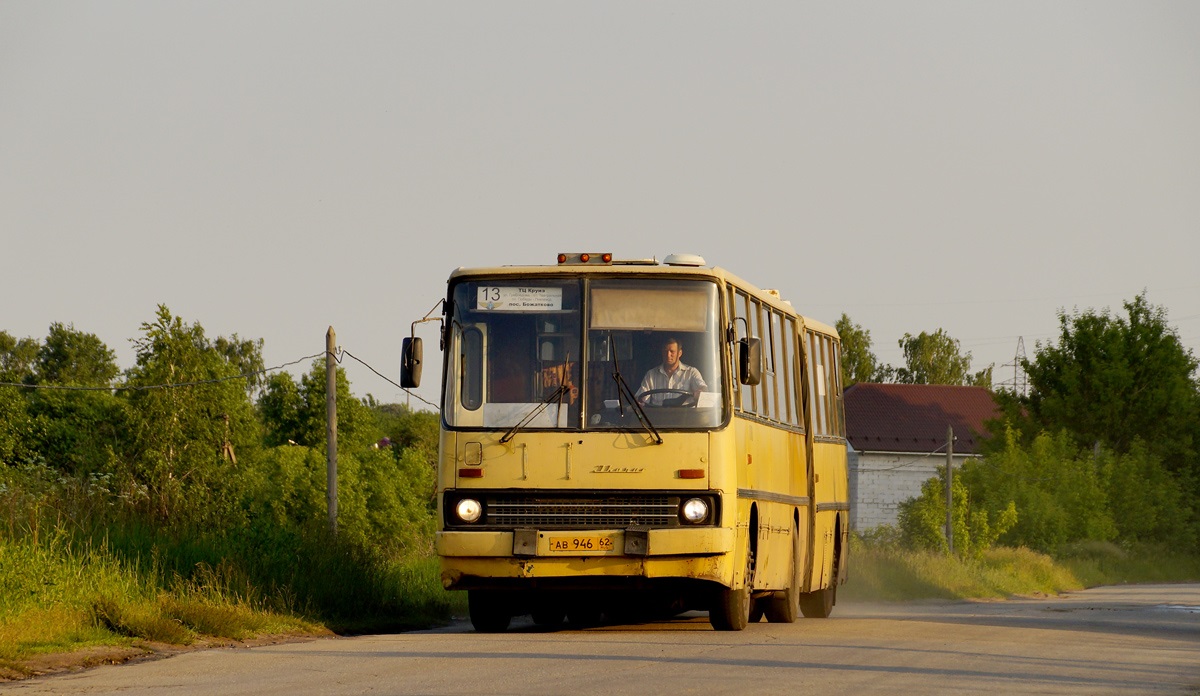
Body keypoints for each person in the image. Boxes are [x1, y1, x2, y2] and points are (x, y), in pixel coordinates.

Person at [637, 337, 707, 406]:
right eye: (665, 351)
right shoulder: (651, 375)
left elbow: (704, 389)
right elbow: (641, 398)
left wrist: (699, 392)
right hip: (658, 416)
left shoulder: (691, 372)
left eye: (672, 351)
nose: (668, 355)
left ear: (679, 353)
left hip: (684, 416)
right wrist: (639, 403)